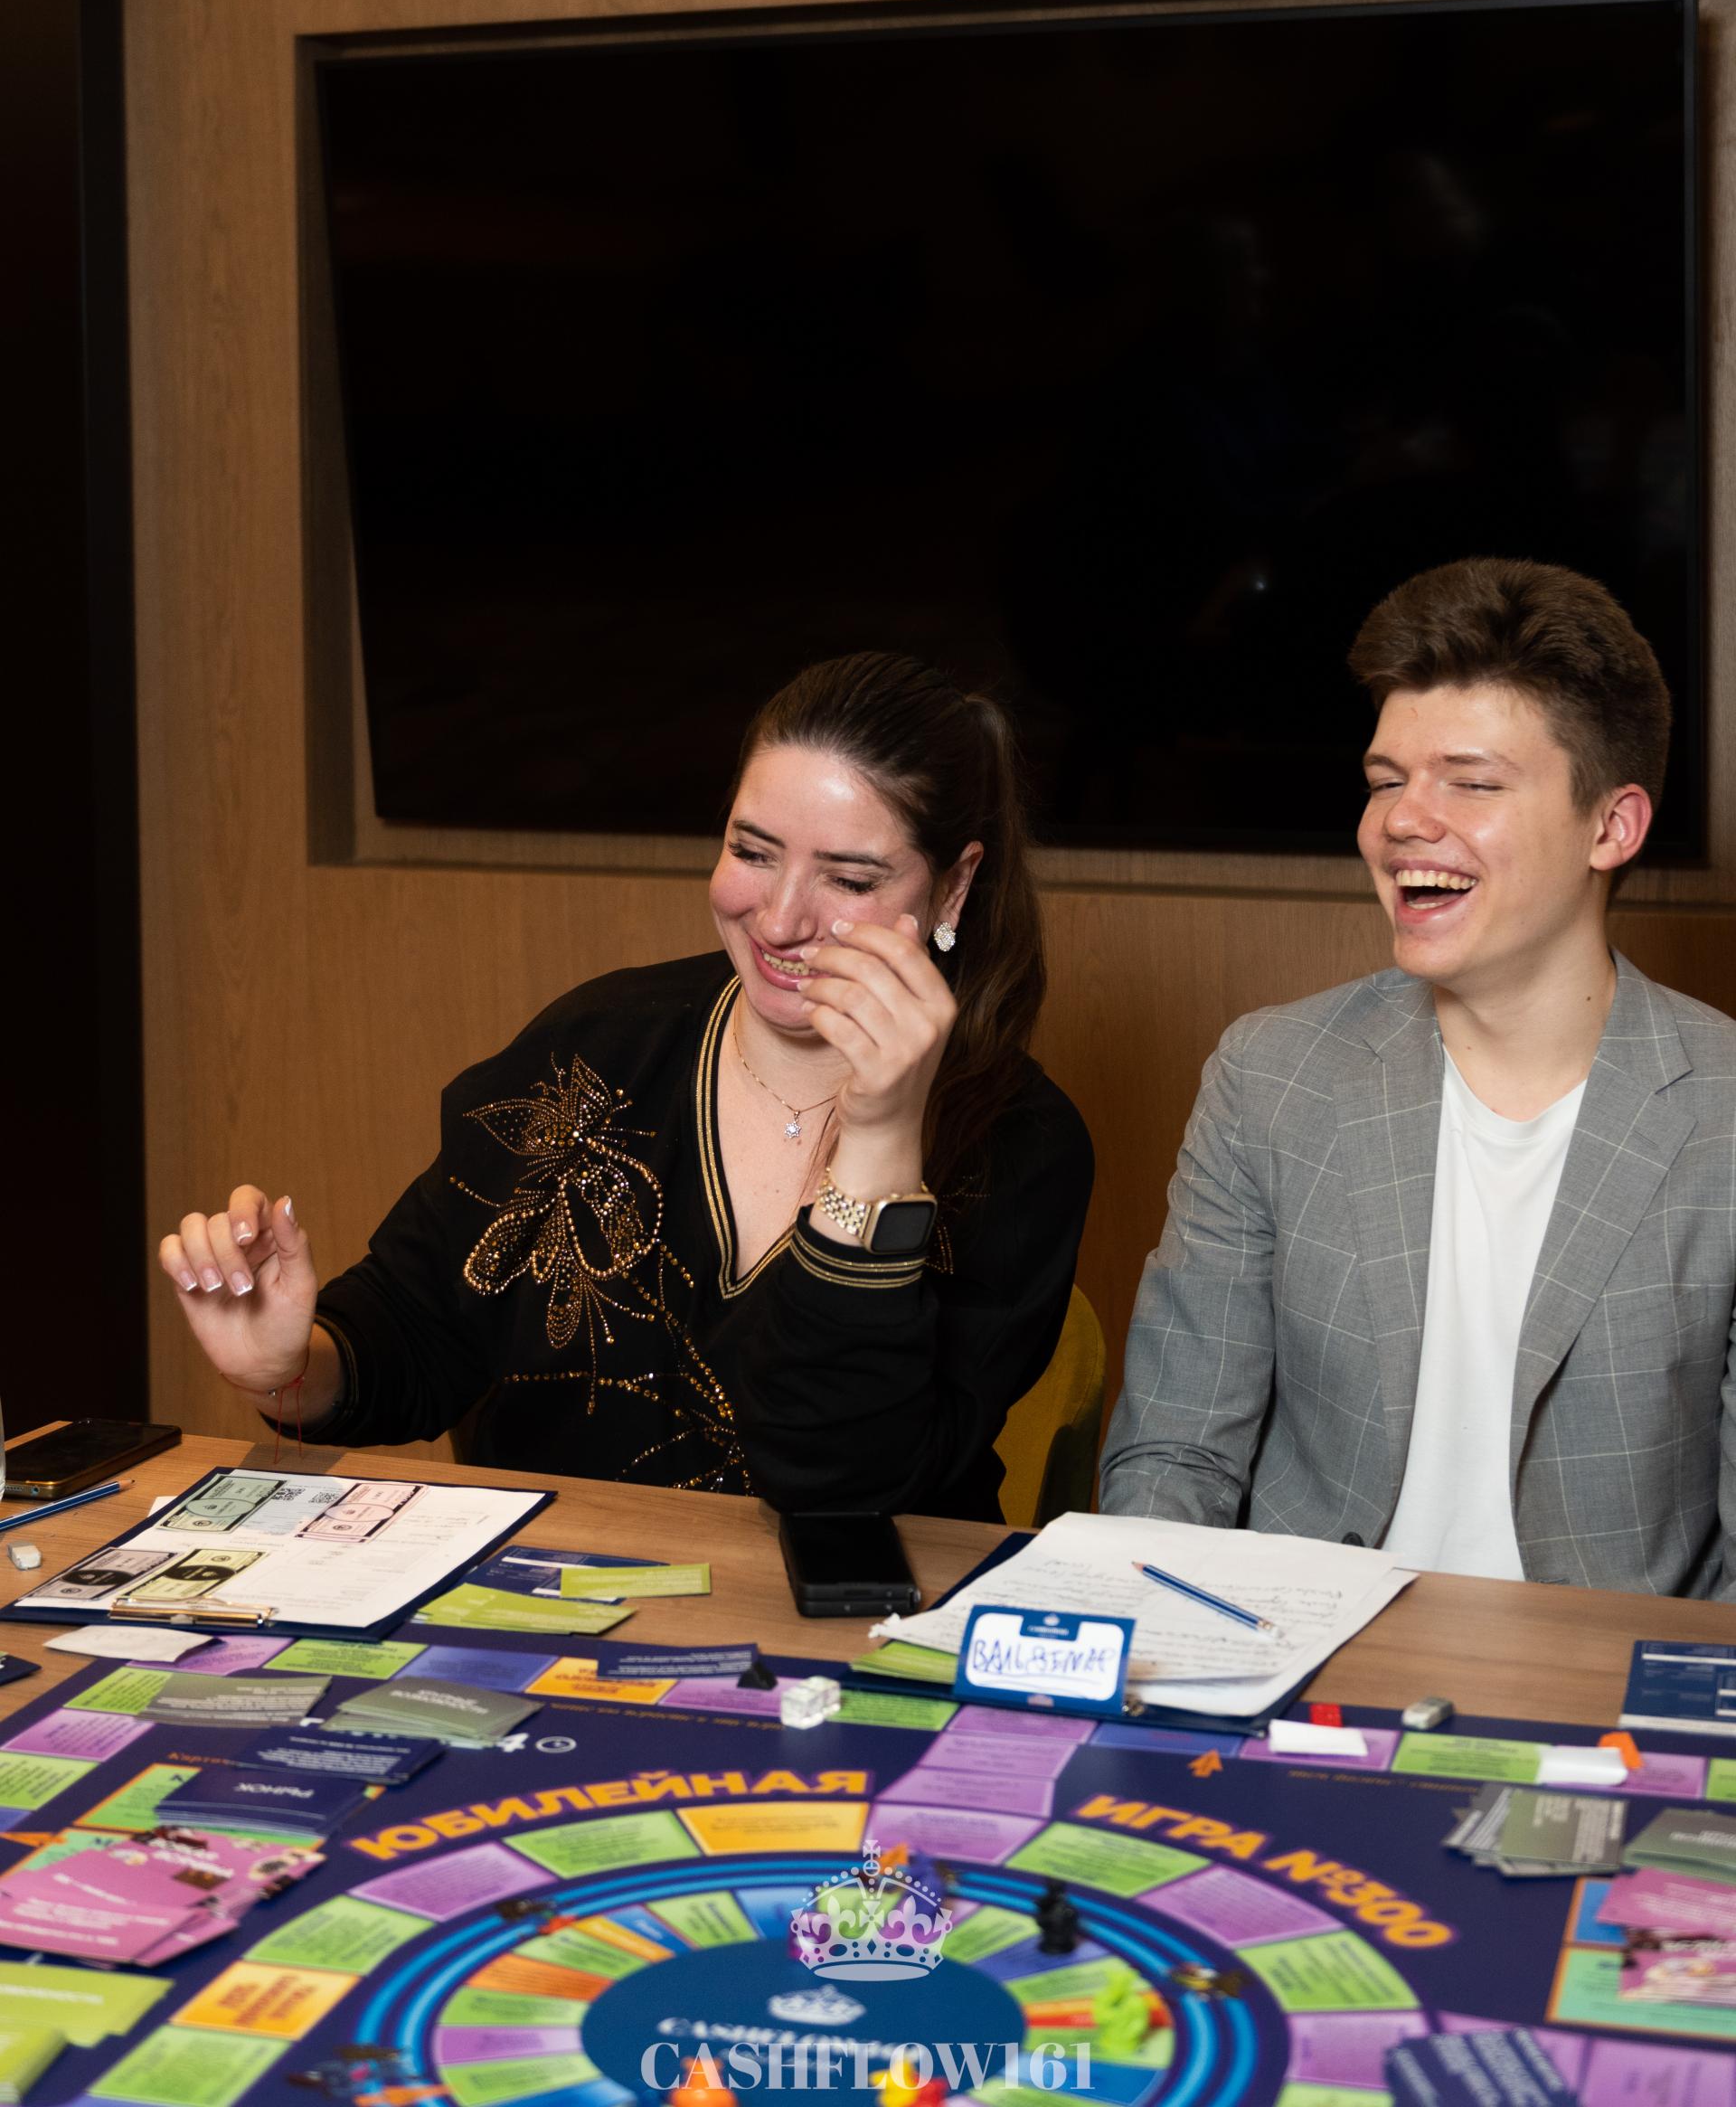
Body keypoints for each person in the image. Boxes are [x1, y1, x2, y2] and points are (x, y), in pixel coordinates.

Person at [160, 653, 1093, 1521]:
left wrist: (882, 1138)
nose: (779, 919)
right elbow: (418, 1328)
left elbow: (834, 1482)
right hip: (543, 1609)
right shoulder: (597, 1050)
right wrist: (290, 1366)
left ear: (954, 887)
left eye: (848, 879)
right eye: (753, 852)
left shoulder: (1022, 1143)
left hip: (847, 1632)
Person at [1100, 556, 1736, 1597]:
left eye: (1471, 783)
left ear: (1611, 826)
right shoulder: (1274, 1076)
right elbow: (1175, 1457)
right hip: (1301, 1652)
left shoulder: (1723, 1115)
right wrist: (1150, 1636)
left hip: (1605, 1677)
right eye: (1387, 779)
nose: (1401, 820)